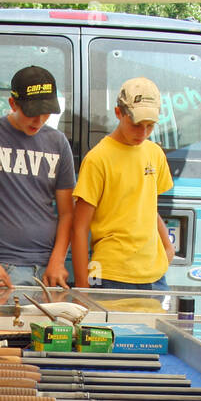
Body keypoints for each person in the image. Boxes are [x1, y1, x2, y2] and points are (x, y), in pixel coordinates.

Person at [0, 65, 75, 297]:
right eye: (32, 112)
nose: (40, 119)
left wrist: (58, 261)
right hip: (5, 267)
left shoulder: (58, 142)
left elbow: (68, 212)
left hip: (48, 270)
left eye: (47, 112)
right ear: (13, 104)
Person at [72, 77, 175, 291]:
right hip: (109, 272)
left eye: (150, 126)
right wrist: (82, 285)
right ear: (119, 113)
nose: (143, 133)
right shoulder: (97, 158)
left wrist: (168, 247)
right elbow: (80, 227)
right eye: (136, 125)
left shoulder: (155, 153)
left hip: (154, 275)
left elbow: (148, 208)